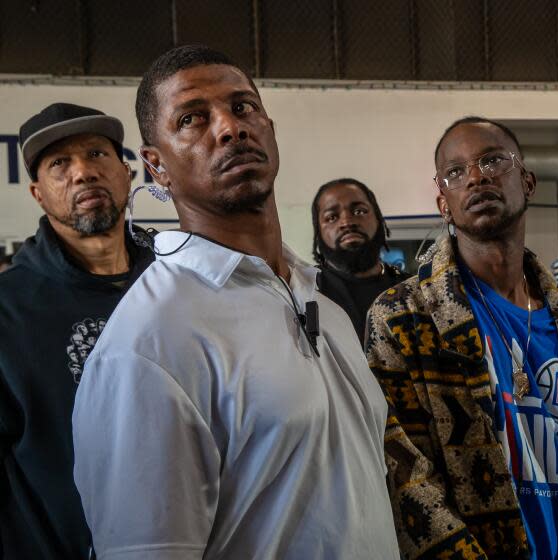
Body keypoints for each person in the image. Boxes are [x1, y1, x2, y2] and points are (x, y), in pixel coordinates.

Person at [72, 45, 399, 559]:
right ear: (156, 166)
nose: (229, 127)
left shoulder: (325, 307)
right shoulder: (146, 345)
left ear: (268, 127)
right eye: (192, 119)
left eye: (243, 107)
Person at [366, 116, 558, 559]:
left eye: (492, 161)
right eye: (456, 172)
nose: (476, 176)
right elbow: (404, 472)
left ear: (527, 181)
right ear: (443, 203)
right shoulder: (403, 318)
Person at [0, 103, 153, 559]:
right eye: (59, 164)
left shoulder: (178, 286)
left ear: (127, 174)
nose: (83, 172)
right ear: (38, 194)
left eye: (96, 154)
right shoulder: (9, 310)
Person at [312, 178, 408, 342]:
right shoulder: (307, 292)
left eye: (359, 212)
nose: (347, 222)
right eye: (332, 217)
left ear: (379, 220)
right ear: (318, 232)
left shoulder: (412, 289)